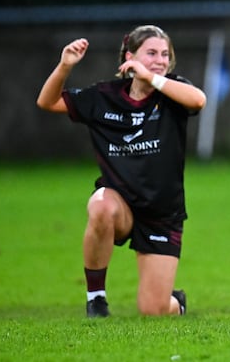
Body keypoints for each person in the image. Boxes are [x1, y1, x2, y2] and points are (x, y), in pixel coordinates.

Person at [36, 24, 207, 318]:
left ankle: (175, 301)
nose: (160, 60)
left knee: (153, 310)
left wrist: (151, 78)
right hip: (121, 204)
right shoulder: (104, 97)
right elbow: (47, 102)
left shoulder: (172, 91)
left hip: (161, 213)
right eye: (151, 53)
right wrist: (65, 66)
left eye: (165, 54)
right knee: (100, 205)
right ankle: (96, 299)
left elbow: (198, 100)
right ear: (130, 57)